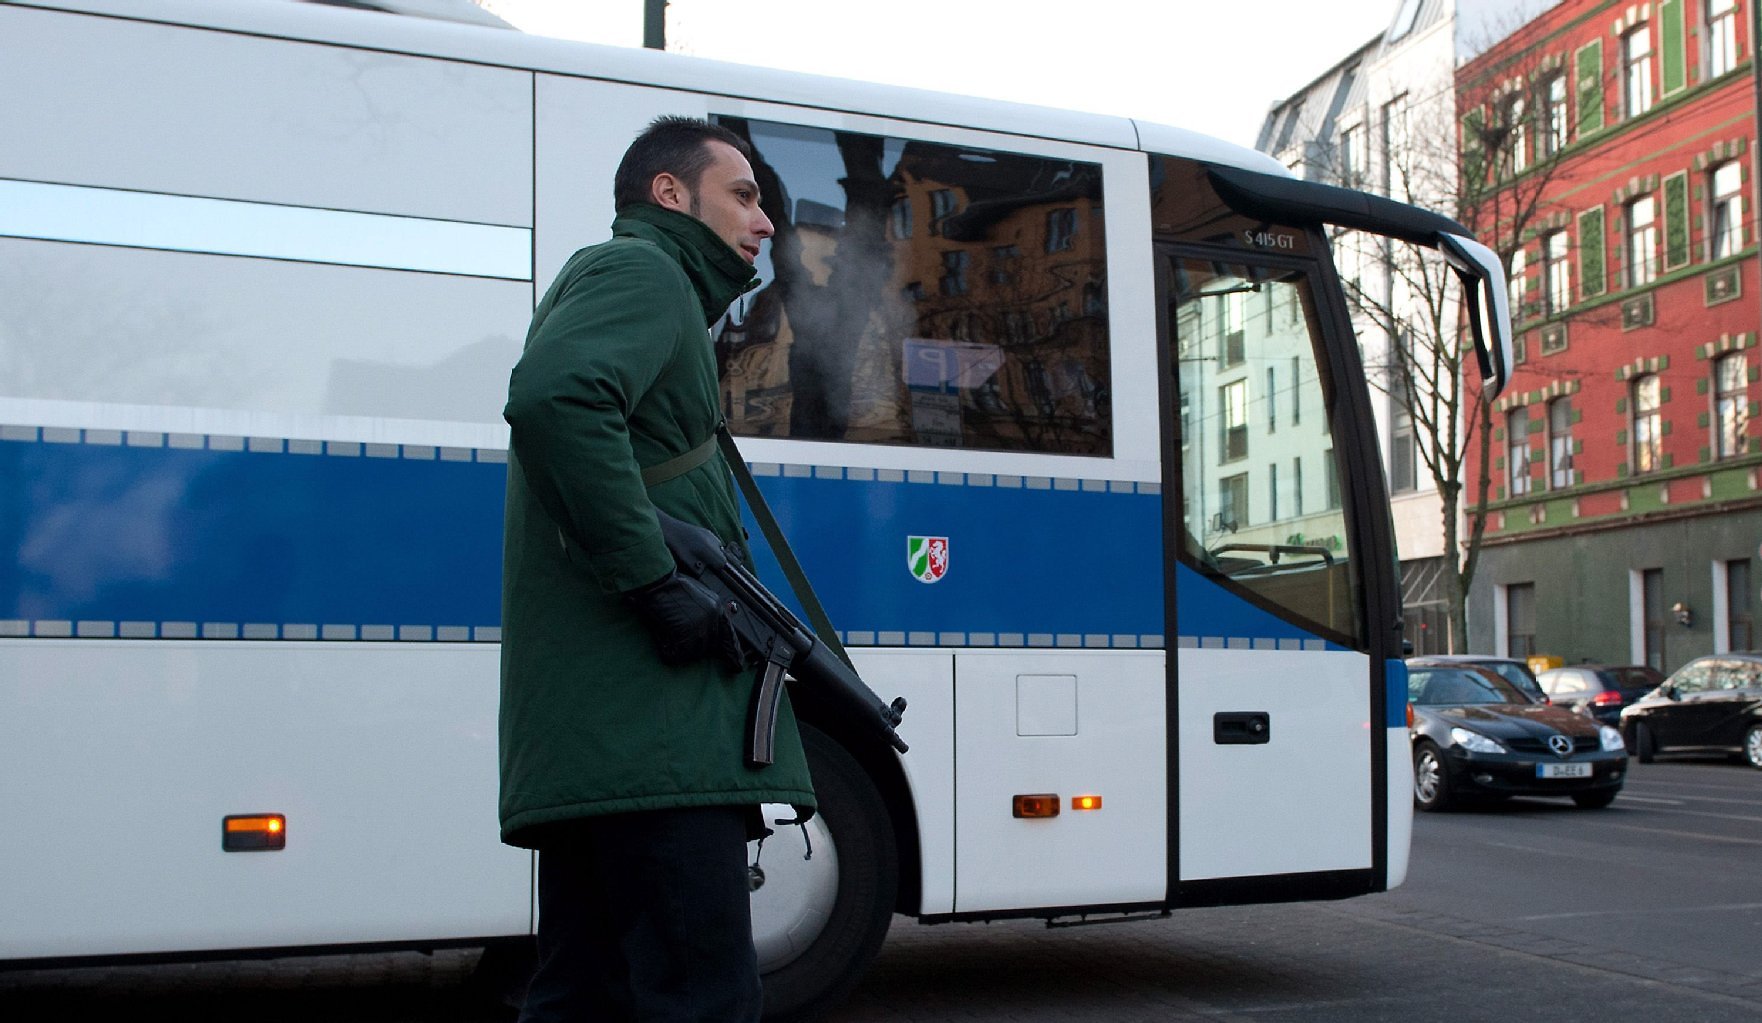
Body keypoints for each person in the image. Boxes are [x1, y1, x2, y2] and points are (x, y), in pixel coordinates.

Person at [499, 115, 817, 1022]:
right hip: (656, 734)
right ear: (670, 194)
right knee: (698, 999)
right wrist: (654, 582)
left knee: (586, 998)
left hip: (619, 737)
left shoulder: (638, 281)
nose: (765, 222)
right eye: (744, 195)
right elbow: (556, 399)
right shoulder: (645, 272)